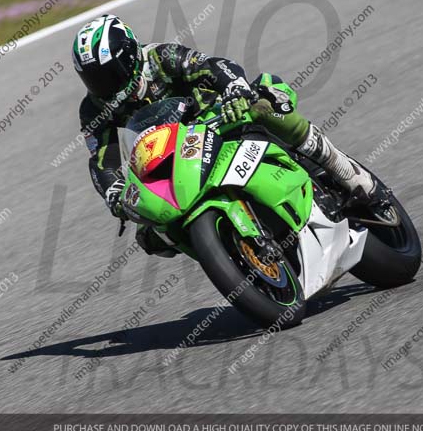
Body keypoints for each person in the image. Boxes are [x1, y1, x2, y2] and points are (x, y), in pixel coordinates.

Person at [73, 14, 380, 252]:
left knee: (263, 106)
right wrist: (113, 192)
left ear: (130, 56)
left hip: (217, 119)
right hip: (168, 157)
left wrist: (235, 89)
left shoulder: (160, 58)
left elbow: (214, 66)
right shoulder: (93, 108)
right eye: (94, 79)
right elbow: (102, 161)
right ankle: (234, 252)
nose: (104, 85)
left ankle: (344, 170)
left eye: (109, 74)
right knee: (151, 236)